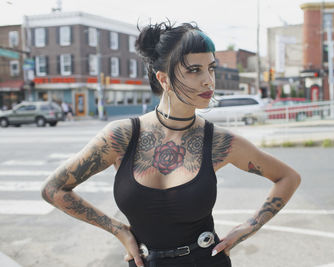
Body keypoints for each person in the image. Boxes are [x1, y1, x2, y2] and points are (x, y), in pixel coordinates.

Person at [40, 22, 301, 267]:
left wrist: (246, 229)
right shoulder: (121, 137)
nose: (209, 80)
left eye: (211, 68)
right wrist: (117, 229)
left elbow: (288, 177)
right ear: (163, 79)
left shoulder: (220, 142)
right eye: (194, 70)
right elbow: (54, 189)